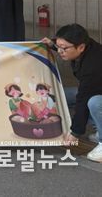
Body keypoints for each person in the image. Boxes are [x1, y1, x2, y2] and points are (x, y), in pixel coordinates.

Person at [42, 24, 102, 162]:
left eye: (63, 48)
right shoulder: (86, 45)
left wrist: (75, 132)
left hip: (96, 95)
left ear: (81, 47)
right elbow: (68, 45)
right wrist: (52, 44)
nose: (60, 51)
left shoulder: (93, 66)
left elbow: (83, 99)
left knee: (94, 103)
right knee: (61, 95)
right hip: (96, 90)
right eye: (58, 46)